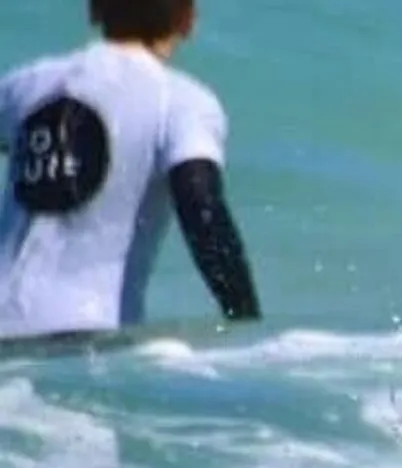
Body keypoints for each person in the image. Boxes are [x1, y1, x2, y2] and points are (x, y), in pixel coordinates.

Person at [0, 0, 260, 342]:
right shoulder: (182, 101)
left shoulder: (22, 85)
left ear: (94, 10)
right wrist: (246, 320)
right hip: (81, 340)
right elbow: (200, 204)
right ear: (188, 20)